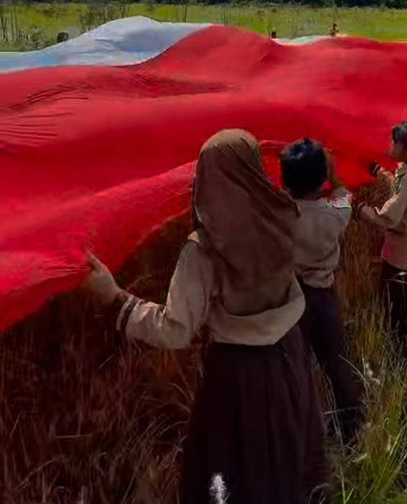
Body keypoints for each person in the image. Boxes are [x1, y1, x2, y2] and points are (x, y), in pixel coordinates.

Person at [84, 130, 327, 504]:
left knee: (232, 479)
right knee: (283, 460)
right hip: (289, 358)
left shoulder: (204, 250)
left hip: (237, 377)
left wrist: (116, 299)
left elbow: (175, 329)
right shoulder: (283, 216)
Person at [280, 138, 364, 443]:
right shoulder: (334, 215)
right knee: (335, 360)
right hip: (324, 295)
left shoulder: (282, 216)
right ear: (322, 180)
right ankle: (352, 424)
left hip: (294, 299)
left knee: (297, 367)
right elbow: (345, 198)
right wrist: (337, 178)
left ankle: (306, 431)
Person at [358, 121, 407, 343]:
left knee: (402, 303)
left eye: (395, 143)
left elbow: (388, 217)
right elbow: (399, 186)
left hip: (406, 254)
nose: (390, 145)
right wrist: (381, 173)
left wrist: (361, 209)